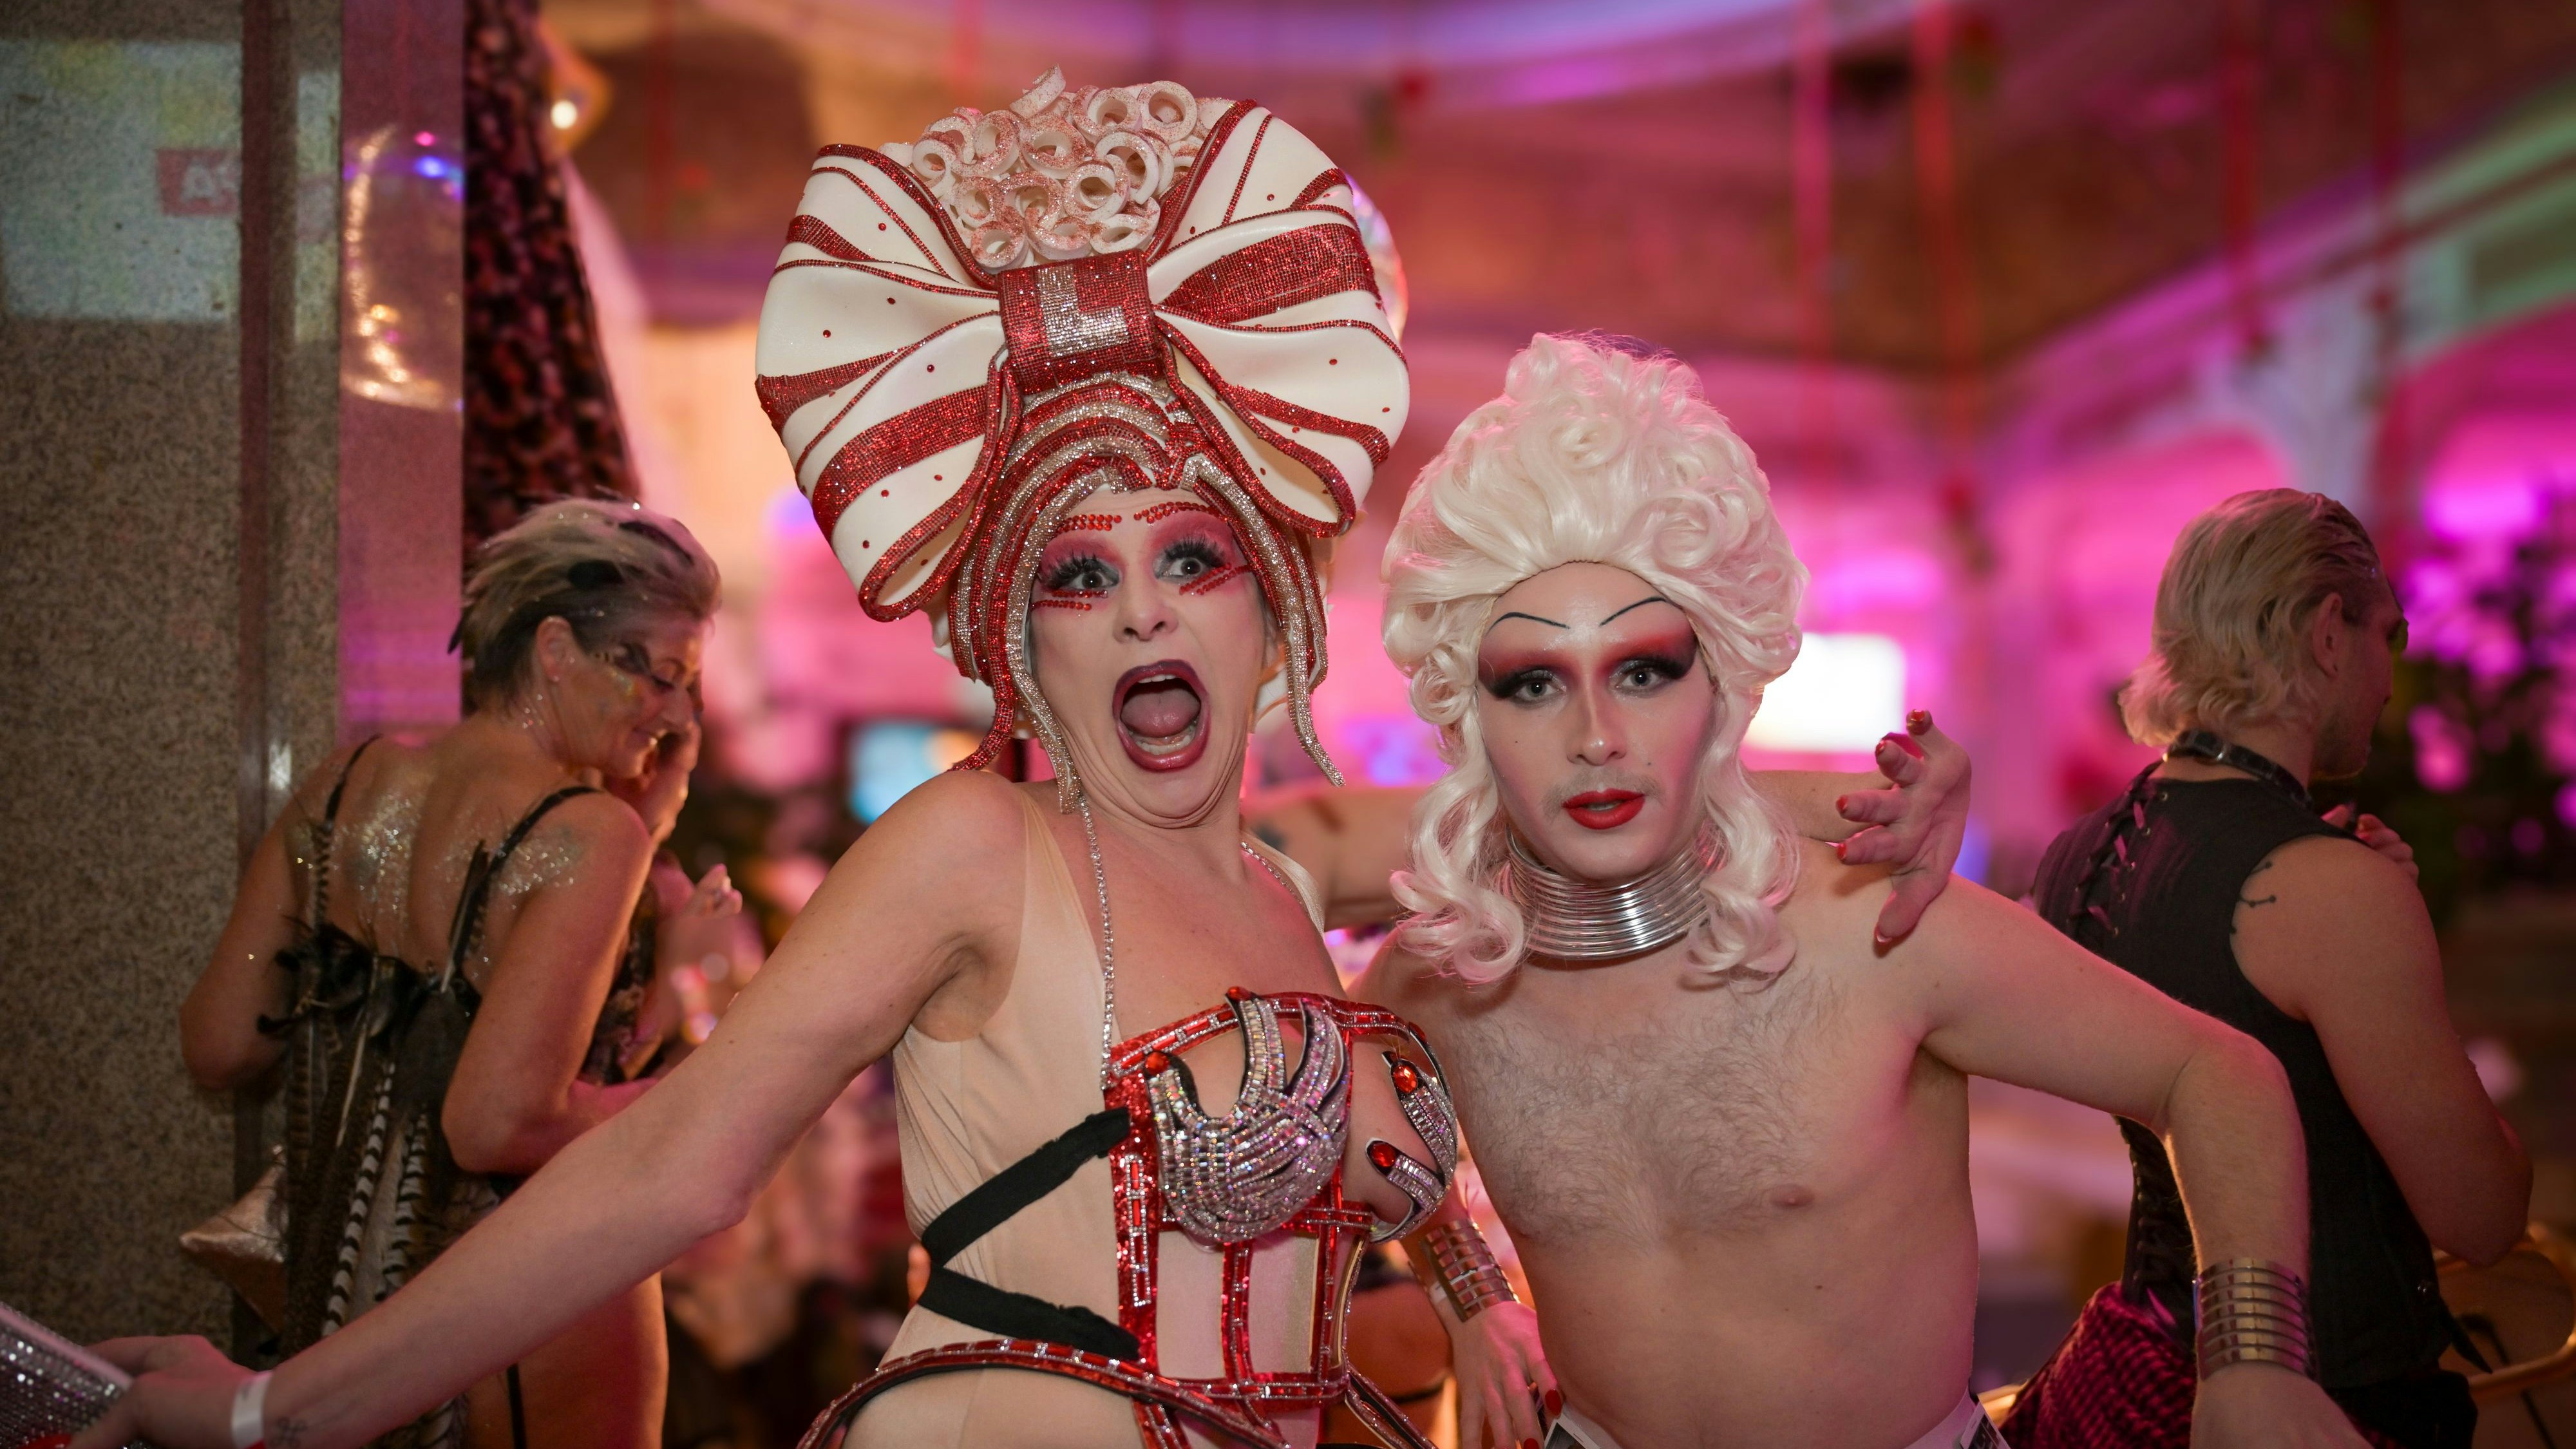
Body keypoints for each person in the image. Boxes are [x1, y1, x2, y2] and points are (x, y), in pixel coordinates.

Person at [93, 77, 1958, 1449]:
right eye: (1083, 573)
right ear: (1018, 635)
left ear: (1271, 609)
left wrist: (1890, 804)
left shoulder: (1283, 885)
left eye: (1192, 560)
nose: (1145, 612)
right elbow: (673, 1159)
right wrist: (282, 1418)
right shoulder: (978, 847)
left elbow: (1552, 826)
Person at [1358, 332, 2374, 1449]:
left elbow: (2212, 1071)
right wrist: (1472, 1298)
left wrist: (2254, 1362)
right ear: (1468, 712)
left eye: (1645, 671)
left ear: (1726, 687)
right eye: (1535, 683)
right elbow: (1390, 1151)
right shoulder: (1438, 978)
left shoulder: (1880, 928)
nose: (1597, 736)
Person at [176, 499, 723, 1449]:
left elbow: (220, 1042)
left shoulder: (343, 784)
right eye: (663, 675)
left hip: (344, 1308)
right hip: (523, 1308)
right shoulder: (584, 836)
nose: (677, 715)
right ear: (556, 649)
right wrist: (685, 1098)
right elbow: (494, 1119)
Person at [2003, 491, 2530, 1449]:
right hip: (2330, 1403)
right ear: (2330, 633)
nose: (2386, 677)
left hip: (2140, 1375)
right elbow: (2483, 1214)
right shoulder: (2331, 891)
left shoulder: (2074, 856)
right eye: (2390, 634)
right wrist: (2387, 938)